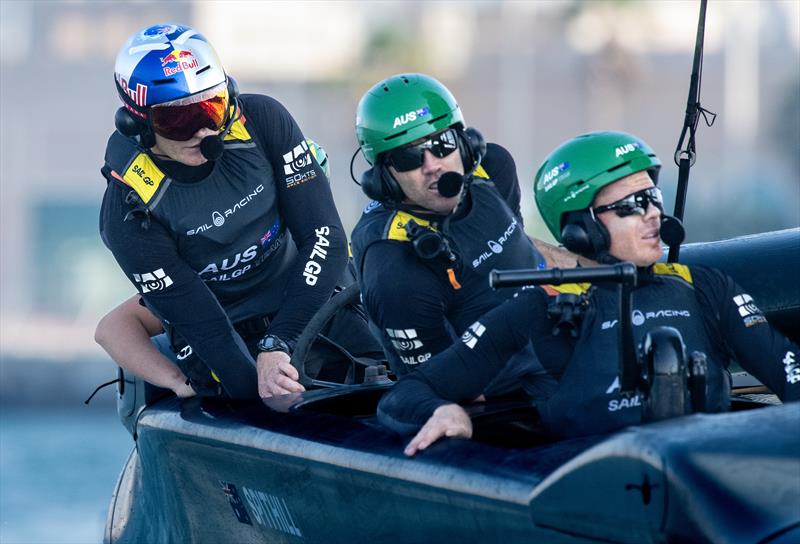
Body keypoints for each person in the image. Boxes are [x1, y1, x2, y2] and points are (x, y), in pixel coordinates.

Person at [377, 131, 800, 455]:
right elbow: (405, 395)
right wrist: (442, 411)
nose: (654, 214)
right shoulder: (537, 307)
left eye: (652, 197)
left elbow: (791, 375)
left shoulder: (705, 288)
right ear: (580, 227)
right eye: (632, 205)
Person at [97, 23, 353, 400]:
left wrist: (278, 343)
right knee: (255, 395)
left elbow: (326, 240)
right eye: (178, 120)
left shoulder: (263, 120)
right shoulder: (127, 212)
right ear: (137, 123)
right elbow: (207, 330)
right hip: (226, 325)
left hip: (306, 297)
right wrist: (256, 385)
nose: (203, 131)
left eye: (212, 109)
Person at [343, 73, 580, 410]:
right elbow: (449, 391)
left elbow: (517, 244)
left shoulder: (492, 169)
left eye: (442, 145)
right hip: (512, 405)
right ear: (385, 179)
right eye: (409, 157)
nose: (432, 166)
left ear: (467, 146)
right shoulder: (393, 265)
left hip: (564, 343)